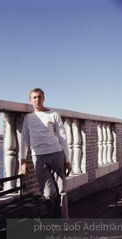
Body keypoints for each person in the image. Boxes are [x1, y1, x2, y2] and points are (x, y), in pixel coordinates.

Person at [20, 88, 72, 218]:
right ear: (30, 100)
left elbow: (62, 138)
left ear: (43, 98)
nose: (37, 100)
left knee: (62, 191)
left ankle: (62, 224)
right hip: (39, 157)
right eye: (34, 98)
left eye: (39, 97)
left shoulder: (53, 114)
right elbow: (24, 140)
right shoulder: (28, 118)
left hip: (56, 154)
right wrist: (23, 161)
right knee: (47, 193)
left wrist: (68, 160)